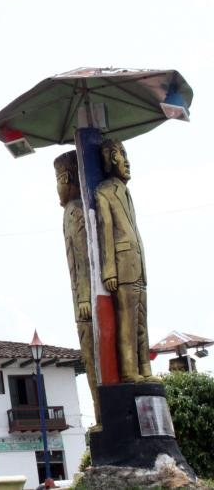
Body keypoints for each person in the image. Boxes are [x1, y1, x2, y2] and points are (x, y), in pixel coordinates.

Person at [94, 138, 153, 382]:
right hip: (121, 264)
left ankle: (145, 368)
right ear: (109, 160)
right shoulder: (104, 191)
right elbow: (106, 230)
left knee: (141, 318)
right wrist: (109, 270)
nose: (126, 161)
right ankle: (129, 369)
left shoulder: (126, 192)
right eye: (120, 154)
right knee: (126, 320)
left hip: (137, 264)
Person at [54, 151, 100, 423]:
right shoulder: (72, 212)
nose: (58, 188)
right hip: (84, 299)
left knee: (94, 351)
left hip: (86, 299)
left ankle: (102, 410)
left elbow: (82, 255)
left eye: (61, 179)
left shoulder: (77, 211)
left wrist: (84, 295)